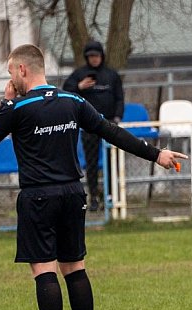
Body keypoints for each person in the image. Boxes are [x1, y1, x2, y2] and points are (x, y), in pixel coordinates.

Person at [0, 44, 187, 310]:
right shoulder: (74, 101)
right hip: (73, 194)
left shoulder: (18, 108)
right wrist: (156, 154)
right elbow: (110, 131)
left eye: (10, 72)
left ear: (22, 70)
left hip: (37, 197)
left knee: (44, 269)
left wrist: (6, 101)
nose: (10, 80)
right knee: (75, 267)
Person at [63, 41, 124, 212]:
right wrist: (79, 87)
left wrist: (118, 117)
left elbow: (119, 98)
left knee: (112, 161)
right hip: (89, 126)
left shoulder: (111, 75)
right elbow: (66, 93)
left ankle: (111, 195)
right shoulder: (79, 74)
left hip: (109, 124)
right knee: (91, 163)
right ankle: (94, 197)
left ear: (101, 56)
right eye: (90, 56)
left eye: (96, 56)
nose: (94, 59)